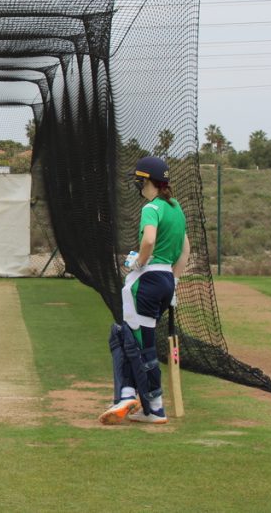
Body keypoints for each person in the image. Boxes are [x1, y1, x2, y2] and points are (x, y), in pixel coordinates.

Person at [99, 156, 190, 425]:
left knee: (138, 344)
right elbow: (186, 250)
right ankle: (132, 396)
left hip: (146, 282)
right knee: (124, 335)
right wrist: (173, 281)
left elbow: (149, 239)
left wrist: (138, 263)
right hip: (164, 282)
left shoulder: (152, 208)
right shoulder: (177, 209)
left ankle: (150, 406)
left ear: (146, 181)